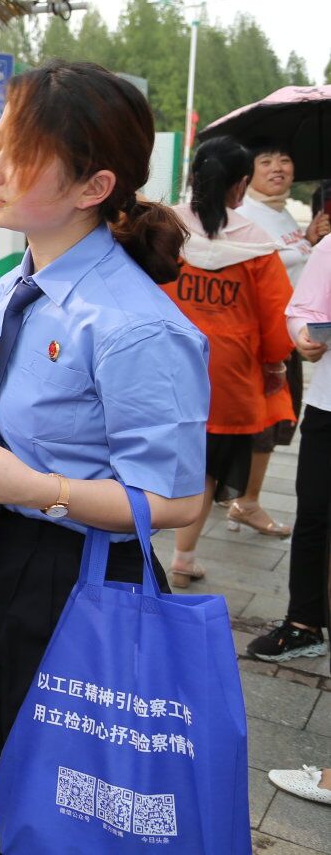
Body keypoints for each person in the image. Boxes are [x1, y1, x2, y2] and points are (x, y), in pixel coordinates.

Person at [0, 60, 208, 852]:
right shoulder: (13, 288)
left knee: (64, 806)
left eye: (19, 153)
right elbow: (23, 418)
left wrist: (37, 488)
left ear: (92, 185)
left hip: (82, 586)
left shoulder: (136, 324)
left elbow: (175, 502)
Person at [161, 135, 295, 588]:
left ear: (194, 176)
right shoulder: (256, 244)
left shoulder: (163, 227)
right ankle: (183, 556)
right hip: (227, 377)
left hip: (160, 367)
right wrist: (275, 363)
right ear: (240, 187)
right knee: (207, 471)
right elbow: (278, 319)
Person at [245, 234, 331, 663]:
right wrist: (305, 336)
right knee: (315, 515)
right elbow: (303, 311)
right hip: (330, 405)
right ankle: (304, 624)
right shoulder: (330, 247)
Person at [235, 146, 315, 529]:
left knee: (279, 420)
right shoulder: (246, 216)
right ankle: (246, 501)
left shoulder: (281, 212)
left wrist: (311, 239)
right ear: (249, 173)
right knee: (265, 422)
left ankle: (237, 495)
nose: (278, 168)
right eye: (266, 161)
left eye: (284, 160)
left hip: (290, 334)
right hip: (266, 338)